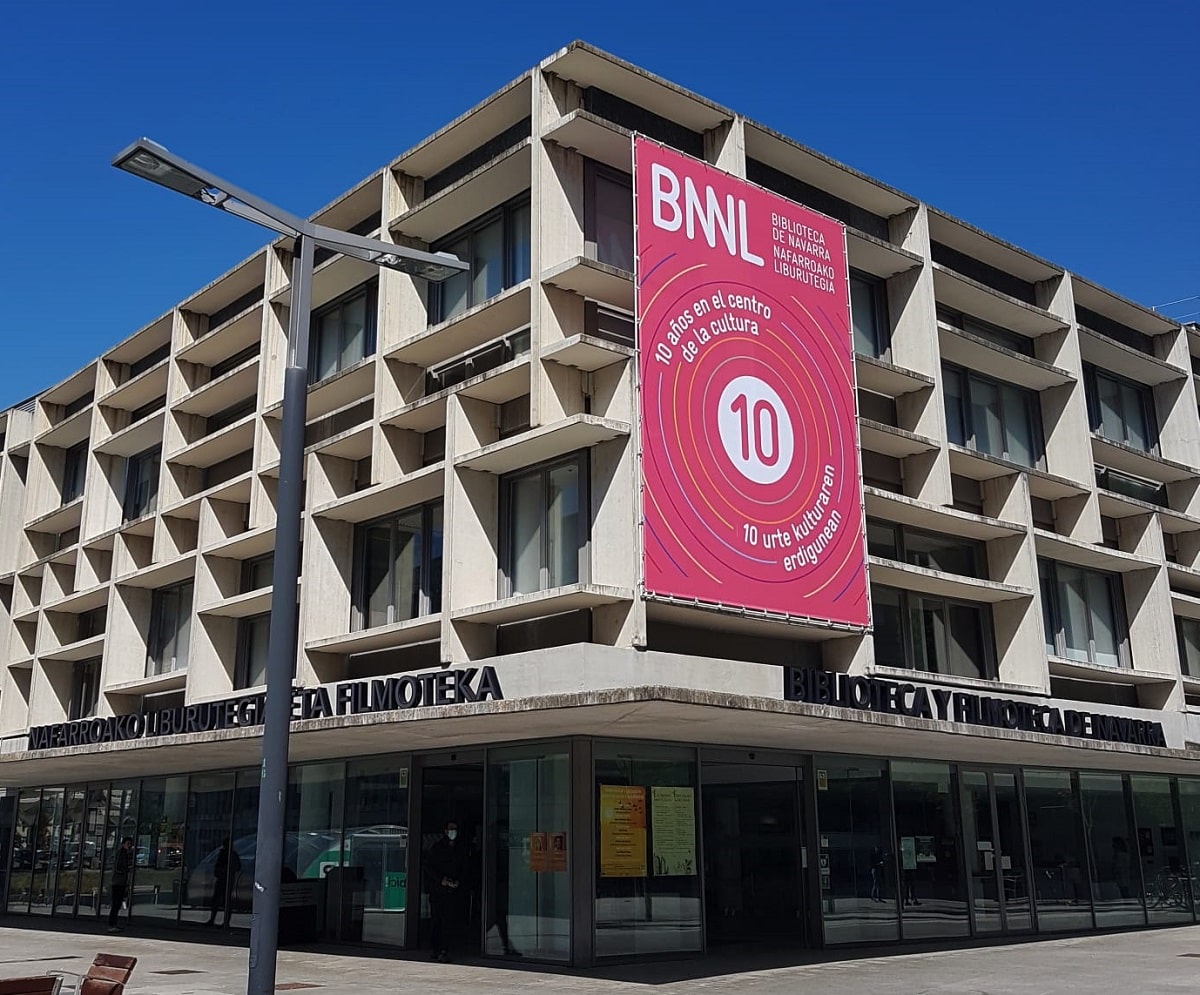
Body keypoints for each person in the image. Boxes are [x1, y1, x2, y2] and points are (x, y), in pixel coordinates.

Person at [426, 821, 468, 962]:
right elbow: (429, 868)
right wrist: (441, 880)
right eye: (450, 829)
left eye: (455, 829)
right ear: (445, 831)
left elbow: (464, 868)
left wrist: (458, 882)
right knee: (436, 920)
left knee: (448, 921)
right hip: (438, 890)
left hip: (452, 891)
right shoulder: (437, 848)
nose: (453, 832)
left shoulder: (460, 848)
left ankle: (445, 949)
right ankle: (435, 948)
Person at [207, 836, 240, 927]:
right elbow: (217, 865)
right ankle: (213, 919)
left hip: (227, 879)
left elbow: (237, 867)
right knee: (216, 900)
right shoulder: (223, 854)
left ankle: (225, 921)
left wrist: (226, 870)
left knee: (225, 901)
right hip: (221, 879)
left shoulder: (232, 855)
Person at [107, 837, 133, 933]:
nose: (129, 846)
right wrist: (125, 870)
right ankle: (111, 924)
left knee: (117, 904)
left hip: (120, 881)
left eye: (130, 844)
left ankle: (114, 924)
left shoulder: (124, 853)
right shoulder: (121, 853)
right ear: (123, 843)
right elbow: (118, 866)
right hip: (118, 881)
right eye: (127, 843)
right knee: (116, 904)